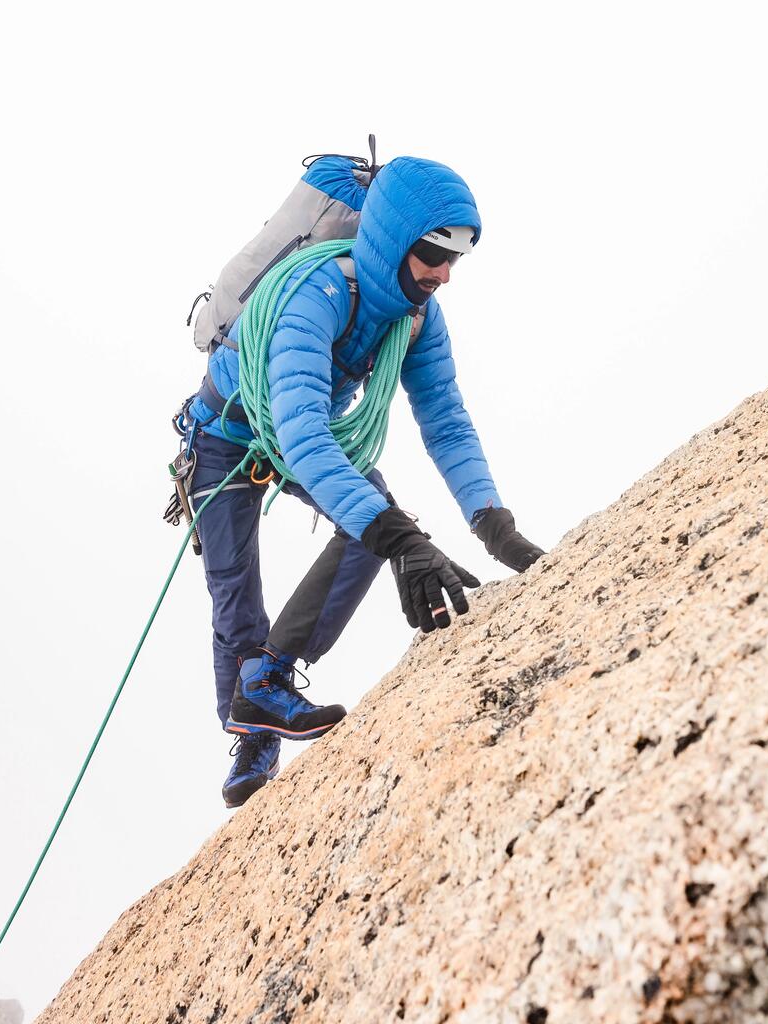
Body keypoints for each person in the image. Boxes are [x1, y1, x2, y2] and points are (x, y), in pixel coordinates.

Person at [181, 156, 545, 808]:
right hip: (226, 435)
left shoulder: (414, 317)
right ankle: (255, 737)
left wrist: (497, 528)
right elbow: (302, 433)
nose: (443, 273)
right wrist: (401, 538)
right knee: (237, 590)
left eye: (454, 259)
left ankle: (266, 678)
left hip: (298, 434)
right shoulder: (314, 294)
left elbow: (447, 422)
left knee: (374, 523)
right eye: (433, 253)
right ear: (395, 238)